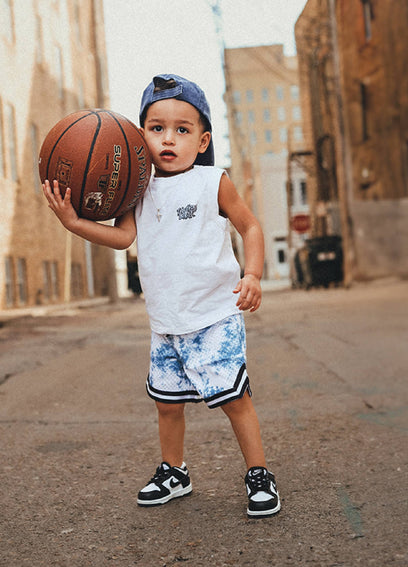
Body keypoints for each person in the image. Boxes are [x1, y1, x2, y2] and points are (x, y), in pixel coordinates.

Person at [43, 73, 280, 518]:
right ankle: (175, 471)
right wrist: (74, 223)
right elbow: (123, 238)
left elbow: (249, 225)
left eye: (182, 129)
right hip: (165, 322)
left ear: (203, 139)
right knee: (167, 405)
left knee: (233, 399)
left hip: (214, 314)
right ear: (138, 137)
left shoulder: (213, 182)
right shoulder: (136, 188)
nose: (168, 139)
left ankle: (259, 473)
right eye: (156, 128)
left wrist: (253, 274)